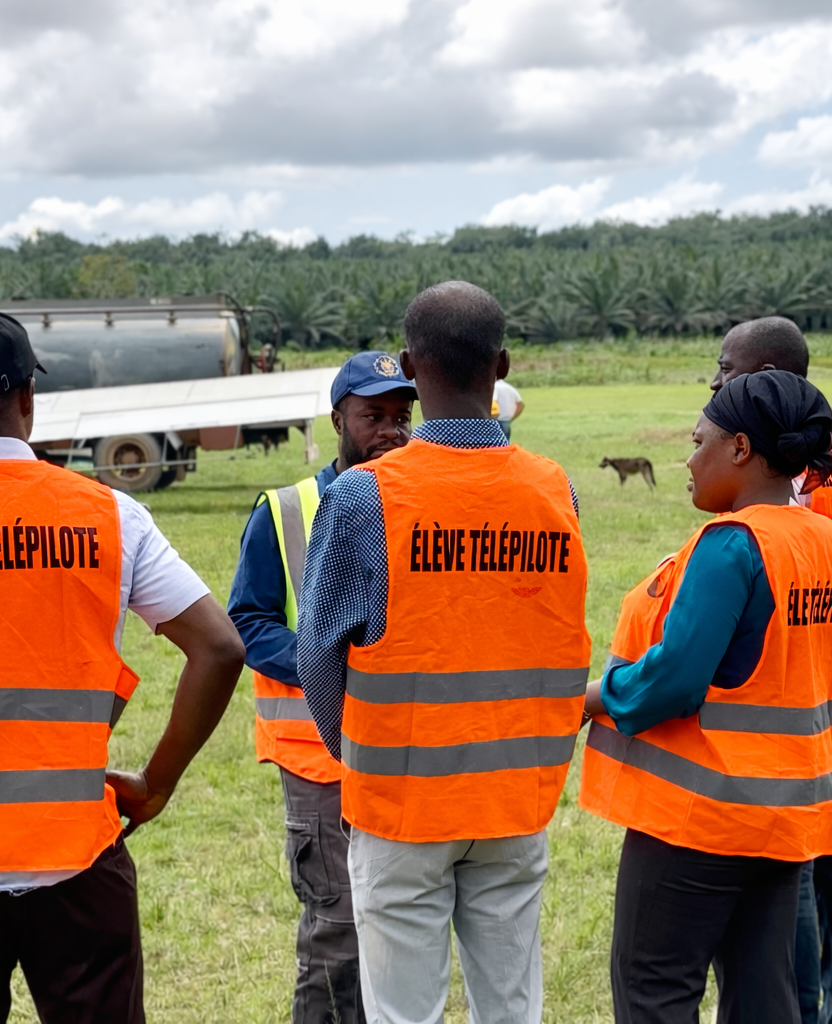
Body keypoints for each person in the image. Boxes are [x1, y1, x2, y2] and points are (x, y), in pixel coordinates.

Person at [0, 308, 245, 1024]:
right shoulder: (111, 515)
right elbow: (220, 648)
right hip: (78, 854)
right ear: (28, 397)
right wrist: (158, 783)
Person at [297, 281, 589, 1024]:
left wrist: (359, 755)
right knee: (512, 1006)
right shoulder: (555, 491)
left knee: (402, 1012)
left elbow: (318, 657)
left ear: (407, 364)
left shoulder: (363, 498)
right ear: (502, 365)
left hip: (400, 805)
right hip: (515, 800)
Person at [578, 371, 832, 1024]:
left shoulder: (732, 545)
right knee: (765, 997)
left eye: (697, 439)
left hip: (699, 821)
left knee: (654, 989)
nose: (686, 457)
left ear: (740, 448)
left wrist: (590, 697)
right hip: (786, 821)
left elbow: (676, 680)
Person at [227, 350, 415, 1024]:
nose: (390, 430)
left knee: (397, 926)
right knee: (336, 931)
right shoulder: (284, 511)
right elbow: (245, 620)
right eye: (373, 416)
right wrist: (326, 661)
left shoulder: (423, 505)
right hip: (318, 756)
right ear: (337, 418)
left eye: (401, 415)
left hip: (404, 753)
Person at [711, 317, 832, 1024]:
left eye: (729, 369)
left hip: (811, 676)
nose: (716, 382)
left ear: (773, 375)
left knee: (802, 859)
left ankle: (803, 1011)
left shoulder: (791, 469)